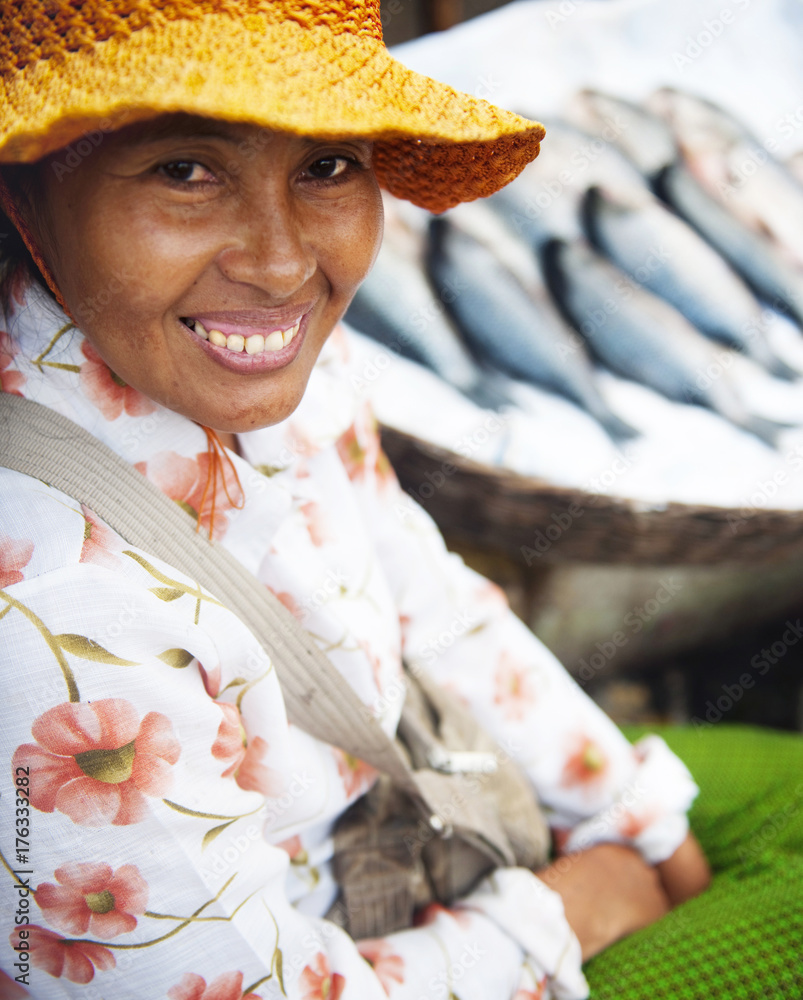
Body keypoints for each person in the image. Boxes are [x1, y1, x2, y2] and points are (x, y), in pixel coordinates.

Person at [3, 1, 798, 998]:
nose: (283, 262)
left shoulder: (270, 375)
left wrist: (636, 820)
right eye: (184, 170)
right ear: (27, 190)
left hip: (414, 807)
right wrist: (566, 908)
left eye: (327, 166)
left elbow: (434, 607)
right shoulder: (47, 626)